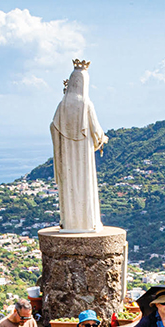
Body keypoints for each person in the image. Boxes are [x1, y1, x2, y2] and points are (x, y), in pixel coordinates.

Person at [50, 61, 107, 232]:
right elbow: (96, 130)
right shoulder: (86, 104)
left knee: (70, 185)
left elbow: (53, 126)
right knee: (85, 185)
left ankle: (70, 223)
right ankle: (87, 223)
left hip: (67, 155)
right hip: (83, 156)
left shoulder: (62, 105)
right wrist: (102, 139)